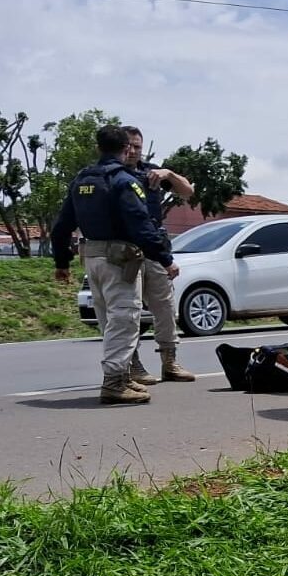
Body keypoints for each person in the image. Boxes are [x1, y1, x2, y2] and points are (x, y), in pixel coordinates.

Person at [50, 124, 175, 404]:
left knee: (108, 319)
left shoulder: (81, 180)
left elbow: (61, 227)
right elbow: (141, 227)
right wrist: (166, 260)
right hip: (120, 259)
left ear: (98, 147)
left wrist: (62, 263)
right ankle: (115, 383)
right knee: (124, 319)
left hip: (91, 259)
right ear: (125, 149)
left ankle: (125, 377)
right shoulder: (123, 181)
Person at [120, 125, 197, 385]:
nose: (132, 151)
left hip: (154, 248)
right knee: (128, 312)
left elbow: (187, 191)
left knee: (164, 307)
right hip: (125, 250)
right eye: (128, 145)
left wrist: (169, 173)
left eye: (137, 146)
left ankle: (170, 362)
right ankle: (133, 365)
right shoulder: (113, 174)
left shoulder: (151, 172)